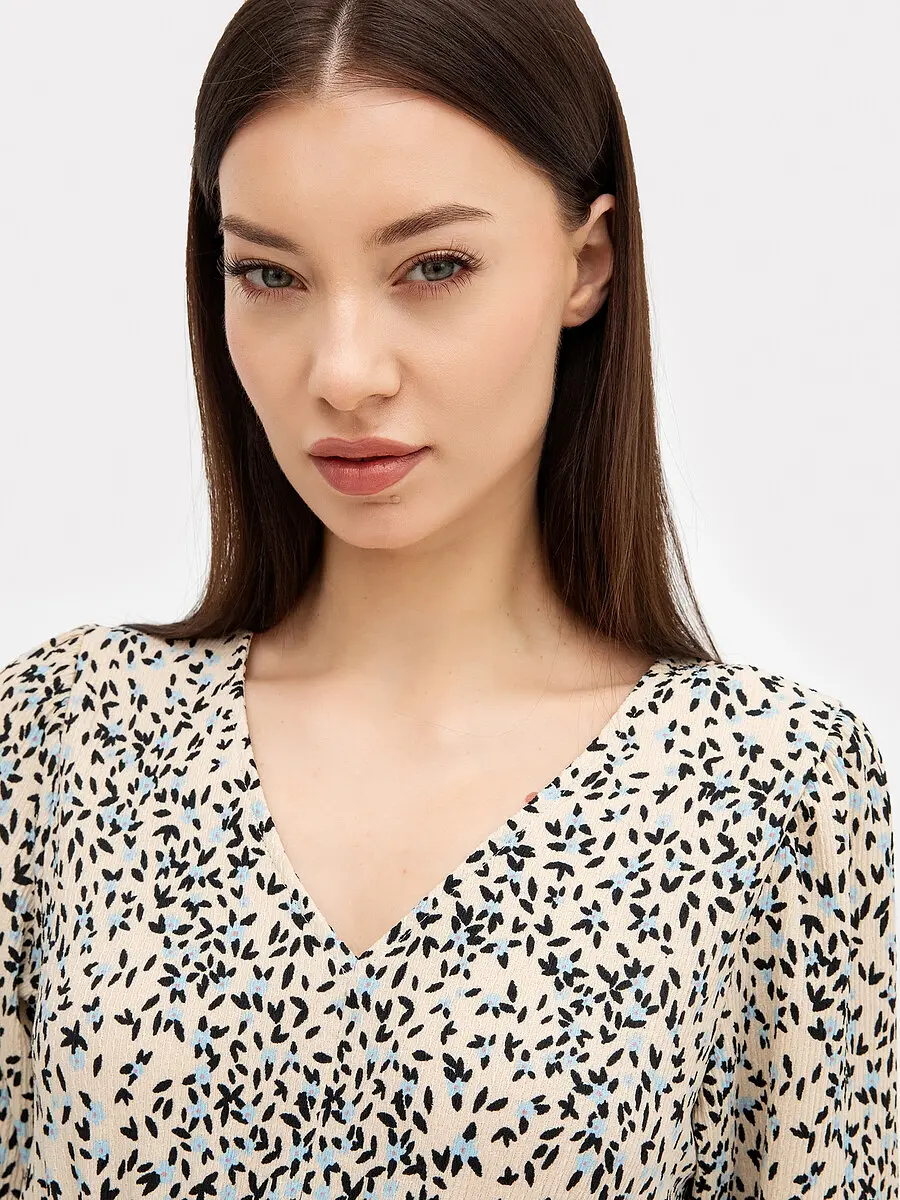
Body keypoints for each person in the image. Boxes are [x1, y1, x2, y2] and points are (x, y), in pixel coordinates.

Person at [1, 0, 895, 1195]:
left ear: (587, 263)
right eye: (269, 273)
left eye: (434, 267)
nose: (344, 372)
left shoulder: (768, 792)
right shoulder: (68, 736)